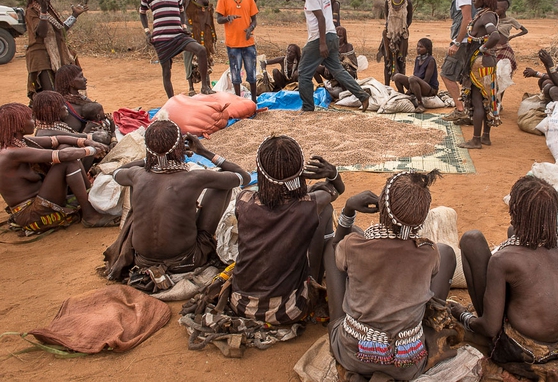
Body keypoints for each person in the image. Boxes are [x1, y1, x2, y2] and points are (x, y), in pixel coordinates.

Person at [324, 170, 456, 380]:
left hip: (353, 353)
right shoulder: (429, 252)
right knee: (447, 253)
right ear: (422, 218)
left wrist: (349, 208)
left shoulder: (354, 246)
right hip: (407, 362)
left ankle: (356, 372)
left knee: (333, 251)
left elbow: (334, 246)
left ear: (382, 207)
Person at [450, 175, 558, 365]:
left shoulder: (503, 260)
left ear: (514, 210)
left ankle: (485, 320)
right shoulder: (557, 245)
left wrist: (462, 315)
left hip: (524, 348)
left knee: (471, 239)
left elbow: (490, 328)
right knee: (513, 234)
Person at [103, 120, 250, 284]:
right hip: (187, 261)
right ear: (181, 147)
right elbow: (244, 177)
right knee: (223, 182)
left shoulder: (137, 175)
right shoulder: (195, 178)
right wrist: (203, 152)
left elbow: (118, 172)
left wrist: (151, 159)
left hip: (141, 260)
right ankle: (204, 244)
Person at [229, 136, 344, 323]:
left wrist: (286, 181)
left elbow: (276, 208)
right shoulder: (311, 205)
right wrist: (332, 173)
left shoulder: (244, 199)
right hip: (289, 309)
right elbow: (338, 189)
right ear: (301, 170)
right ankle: (313, 277)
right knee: (325, 212)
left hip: (240, 303)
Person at [0, 102, 114, 233]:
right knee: (68, 161)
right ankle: (90, 215)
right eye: (30, 118)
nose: (34, 122)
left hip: (41, 202)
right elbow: (62, 156)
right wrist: (92, 150)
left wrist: (88, 141)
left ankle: (89, 204)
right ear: (18, 126)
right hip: (33, 215)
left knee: (65, 150)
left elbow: (57, 139)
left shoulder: (20, 143)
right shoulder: (11, 153)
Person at [285, 0, 370, 112]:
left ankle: (307, 108)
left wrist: (322, 43)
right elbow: (315, 3)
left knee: (304, 74)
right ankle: (362, 96)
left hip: (319, 38)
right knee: (338, 70)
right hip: (332, 36)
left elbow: (321, 18)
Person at [140, 0, 213, 99]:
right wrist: (147, 32)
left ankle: (205, 87)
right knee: (166, 71)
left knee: (201, 50)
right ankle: (172, 101)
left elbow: (181, 12)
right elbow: (142, 12)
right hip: (160, 38)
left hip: (179, 35)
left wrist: (184, 27)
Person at [24, 0, 87, 101]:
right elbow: (42, 33)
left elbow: (60, 31)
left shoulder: (50, 10)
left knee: (63, 88)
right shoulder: (32, 11)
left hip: (58, 54)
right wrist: (43, 11)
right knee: (51, 93)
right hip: (41, 57)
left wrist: (74, 16)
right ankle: (50, 116)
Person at [458, 0, 504, 149]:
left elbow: (495, 35)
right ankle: (485, 136)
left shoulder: (487, 17)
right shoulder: (486, 15)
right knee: (486, 100)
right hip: (485, 62)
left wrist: (483, 48)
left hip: (480, 63)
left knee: (478, 101)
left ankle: (476, 140)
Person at [32, 91, 110, 171]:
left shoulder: (55, 125)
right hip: (74, 171)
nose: (66, 107)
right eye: (62, 105)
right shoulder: (44, 133)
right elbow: (80, 139)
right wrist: (90, 136)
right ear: (52, 110)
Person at [440, 0, 476, 122]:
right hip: (472, 41)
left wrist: (457, 42)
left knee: (447, 74)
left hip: (464, 42)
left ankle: (460, 110)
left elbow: (466, 19)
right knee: (466, 76)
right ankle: (469, 110)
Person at [215, 0, 259, 101]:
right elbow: (218, 19)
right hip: (233, 44)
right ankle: (238, 100)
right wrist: (228, 18)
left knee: (251, 73)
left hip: (248, 42)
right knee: (235, 74)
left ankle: (254, 100)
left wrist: (250, 28)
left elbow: (254, 20)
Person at [182, 0, 217, 96]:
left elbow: (209, 16)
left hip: (202, 35)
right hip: (188, 34)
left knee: (204, 59)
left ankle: (206, 85)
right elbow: (181, 15)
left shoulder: (203, 1)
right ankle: (191, 87)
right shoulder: (184, 2)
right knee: (188, 59)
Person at [54, 64, 112, 134]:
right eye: (81, 76)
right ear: (71, 82)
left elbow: (103, 122)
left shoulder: (84, 99)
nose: (85, 79)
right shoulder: (62, 107)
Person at [378, 0, 414, 85]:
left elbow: (409, 19)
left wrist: (401, 31)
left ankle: (401, 88)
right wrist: (392, 33)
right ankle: (387, 87)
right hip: (389, 35)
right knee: (387, 61)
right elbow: (387, 18)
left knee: (401, 61)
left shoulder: (408, 2)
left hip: (403, 36)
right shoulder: (388, 1)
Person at [493, 0, 526, 109]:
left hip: (504, 50)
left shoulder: (510, 20)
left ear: (504, 8)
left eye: (497, 7)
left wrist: (512, 36)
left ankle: (498, 102)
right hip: (492, 50)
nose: (495, 9)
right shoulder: (492, 19)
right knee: (491, 76)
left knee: (502, 76)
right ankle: (493, 101)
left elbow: (524, 30)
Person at [392, 38, 439, 113]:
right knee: (397, 76)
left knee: (412, 79)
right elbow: (415, 74)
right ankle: (402, 96)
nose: (418, 48)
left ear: (427, 49)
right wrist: (411, 88)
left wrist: (410, 90)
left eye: (421, 47)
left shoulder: (431, 60)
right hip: (416, 84)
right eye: (417, 46)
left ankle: (420, 104)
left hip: (429, 88)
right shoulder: (417, 59)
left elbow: (426, 80)